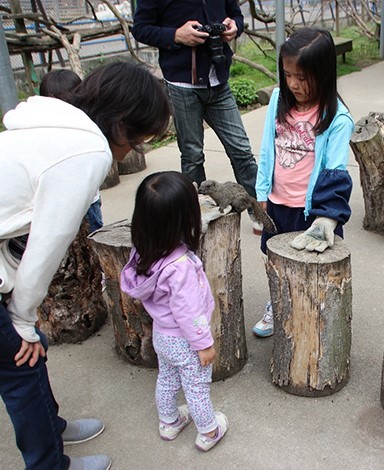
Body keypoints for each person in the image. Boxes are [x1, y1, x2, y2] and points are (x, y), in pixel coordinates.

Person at [0, 61, 171, 470]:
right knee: (19, 364)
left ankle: (50, 425)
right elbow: (48, 242)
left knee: (30, 351)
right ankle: (49, 465)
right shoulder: (87, 150)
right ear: (120, 123)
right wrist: (22, 318)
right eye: (137, 139)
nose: (130, 151)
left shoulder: (50, 121)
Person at [252, 27, 354, 338]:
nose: (294, 84)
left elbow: (335, 171)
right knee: (274, 258)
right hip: (278, 202)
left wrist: (327, 218)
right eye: (288, 75)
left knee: (309, 265)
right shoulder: (278, 99)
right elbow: (268, 148)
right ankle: (277, 304)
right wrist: (261, 193)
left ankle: (311, 313)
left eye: (302, 77)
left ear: (323, 73)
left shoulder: (337, 119)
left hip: (310, 211)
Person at [120, 171, 228, 452]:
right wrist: (203, 344)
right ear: (183, 219)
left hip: (162, 336)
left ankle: (169, 422)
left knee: (167, 379)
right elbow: (188, 311)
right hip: (186, 340)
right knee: (196, 388)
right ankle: (209, 431)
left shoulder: (143, 251)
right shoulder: (179, 266)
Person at [131, 0, 262, 233]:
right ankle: (195, 217)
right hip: (182, 84)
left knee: (241, 150)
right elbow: (141, 28)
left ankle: (258, 211)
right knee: (192, 155)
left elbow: (235, 14)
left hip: (218, 79)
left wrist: (235, 27)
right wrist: (175, 35)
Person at [40, 69, 104, 233]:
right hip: (57, 205)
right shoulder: (42, 130)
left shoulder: (85, 127)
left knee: (93, 241)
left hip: (86, 203)